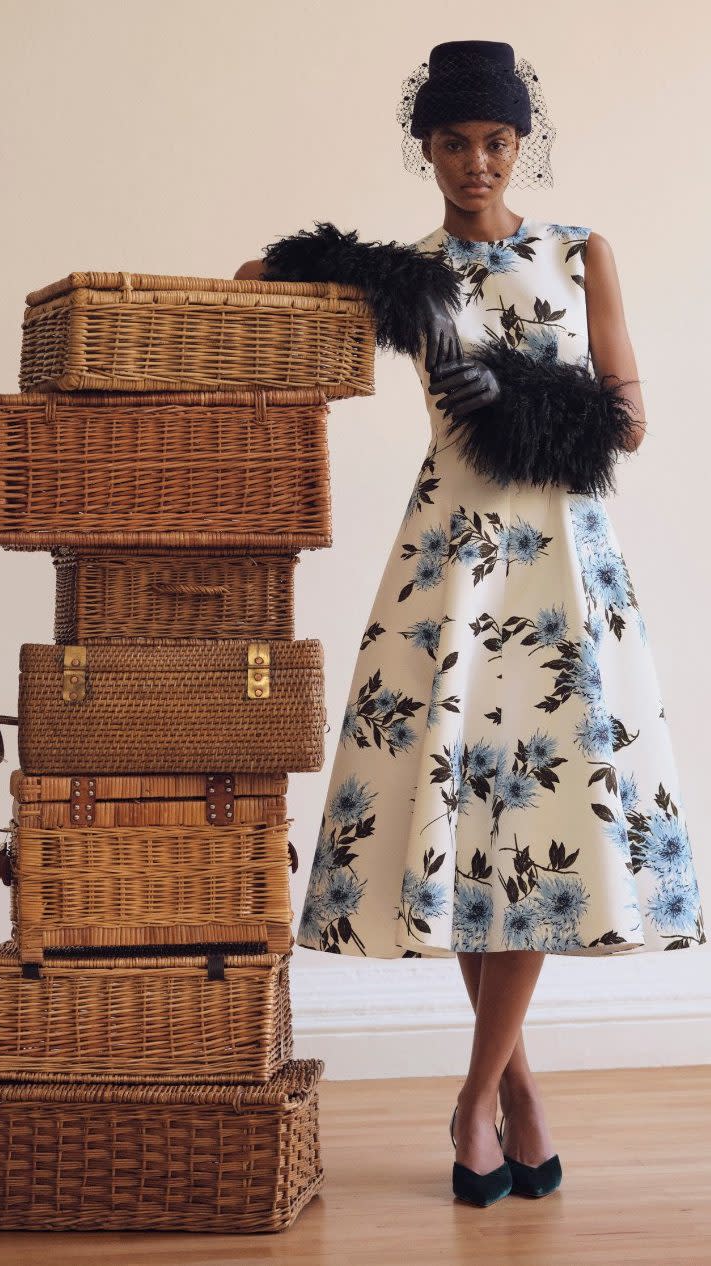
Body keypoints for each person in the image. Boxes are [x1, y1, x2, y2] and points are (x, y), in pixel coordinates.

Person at [234, 39, 706, 1207]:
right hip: (449, 560)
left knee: (537, 808)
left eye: (495, 141)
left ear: (518, 144)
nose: (476, 162)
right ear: (427, 149)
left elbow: (629, 418)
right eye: (453, 143)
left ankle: (474, 1098)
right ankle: (519, 1094)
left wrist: (524, 405)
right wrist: (296, 269)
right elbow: (257, 281)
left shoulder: (578, 250)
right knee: (461, 816)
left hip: (558, 565)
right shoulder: (409, 278)